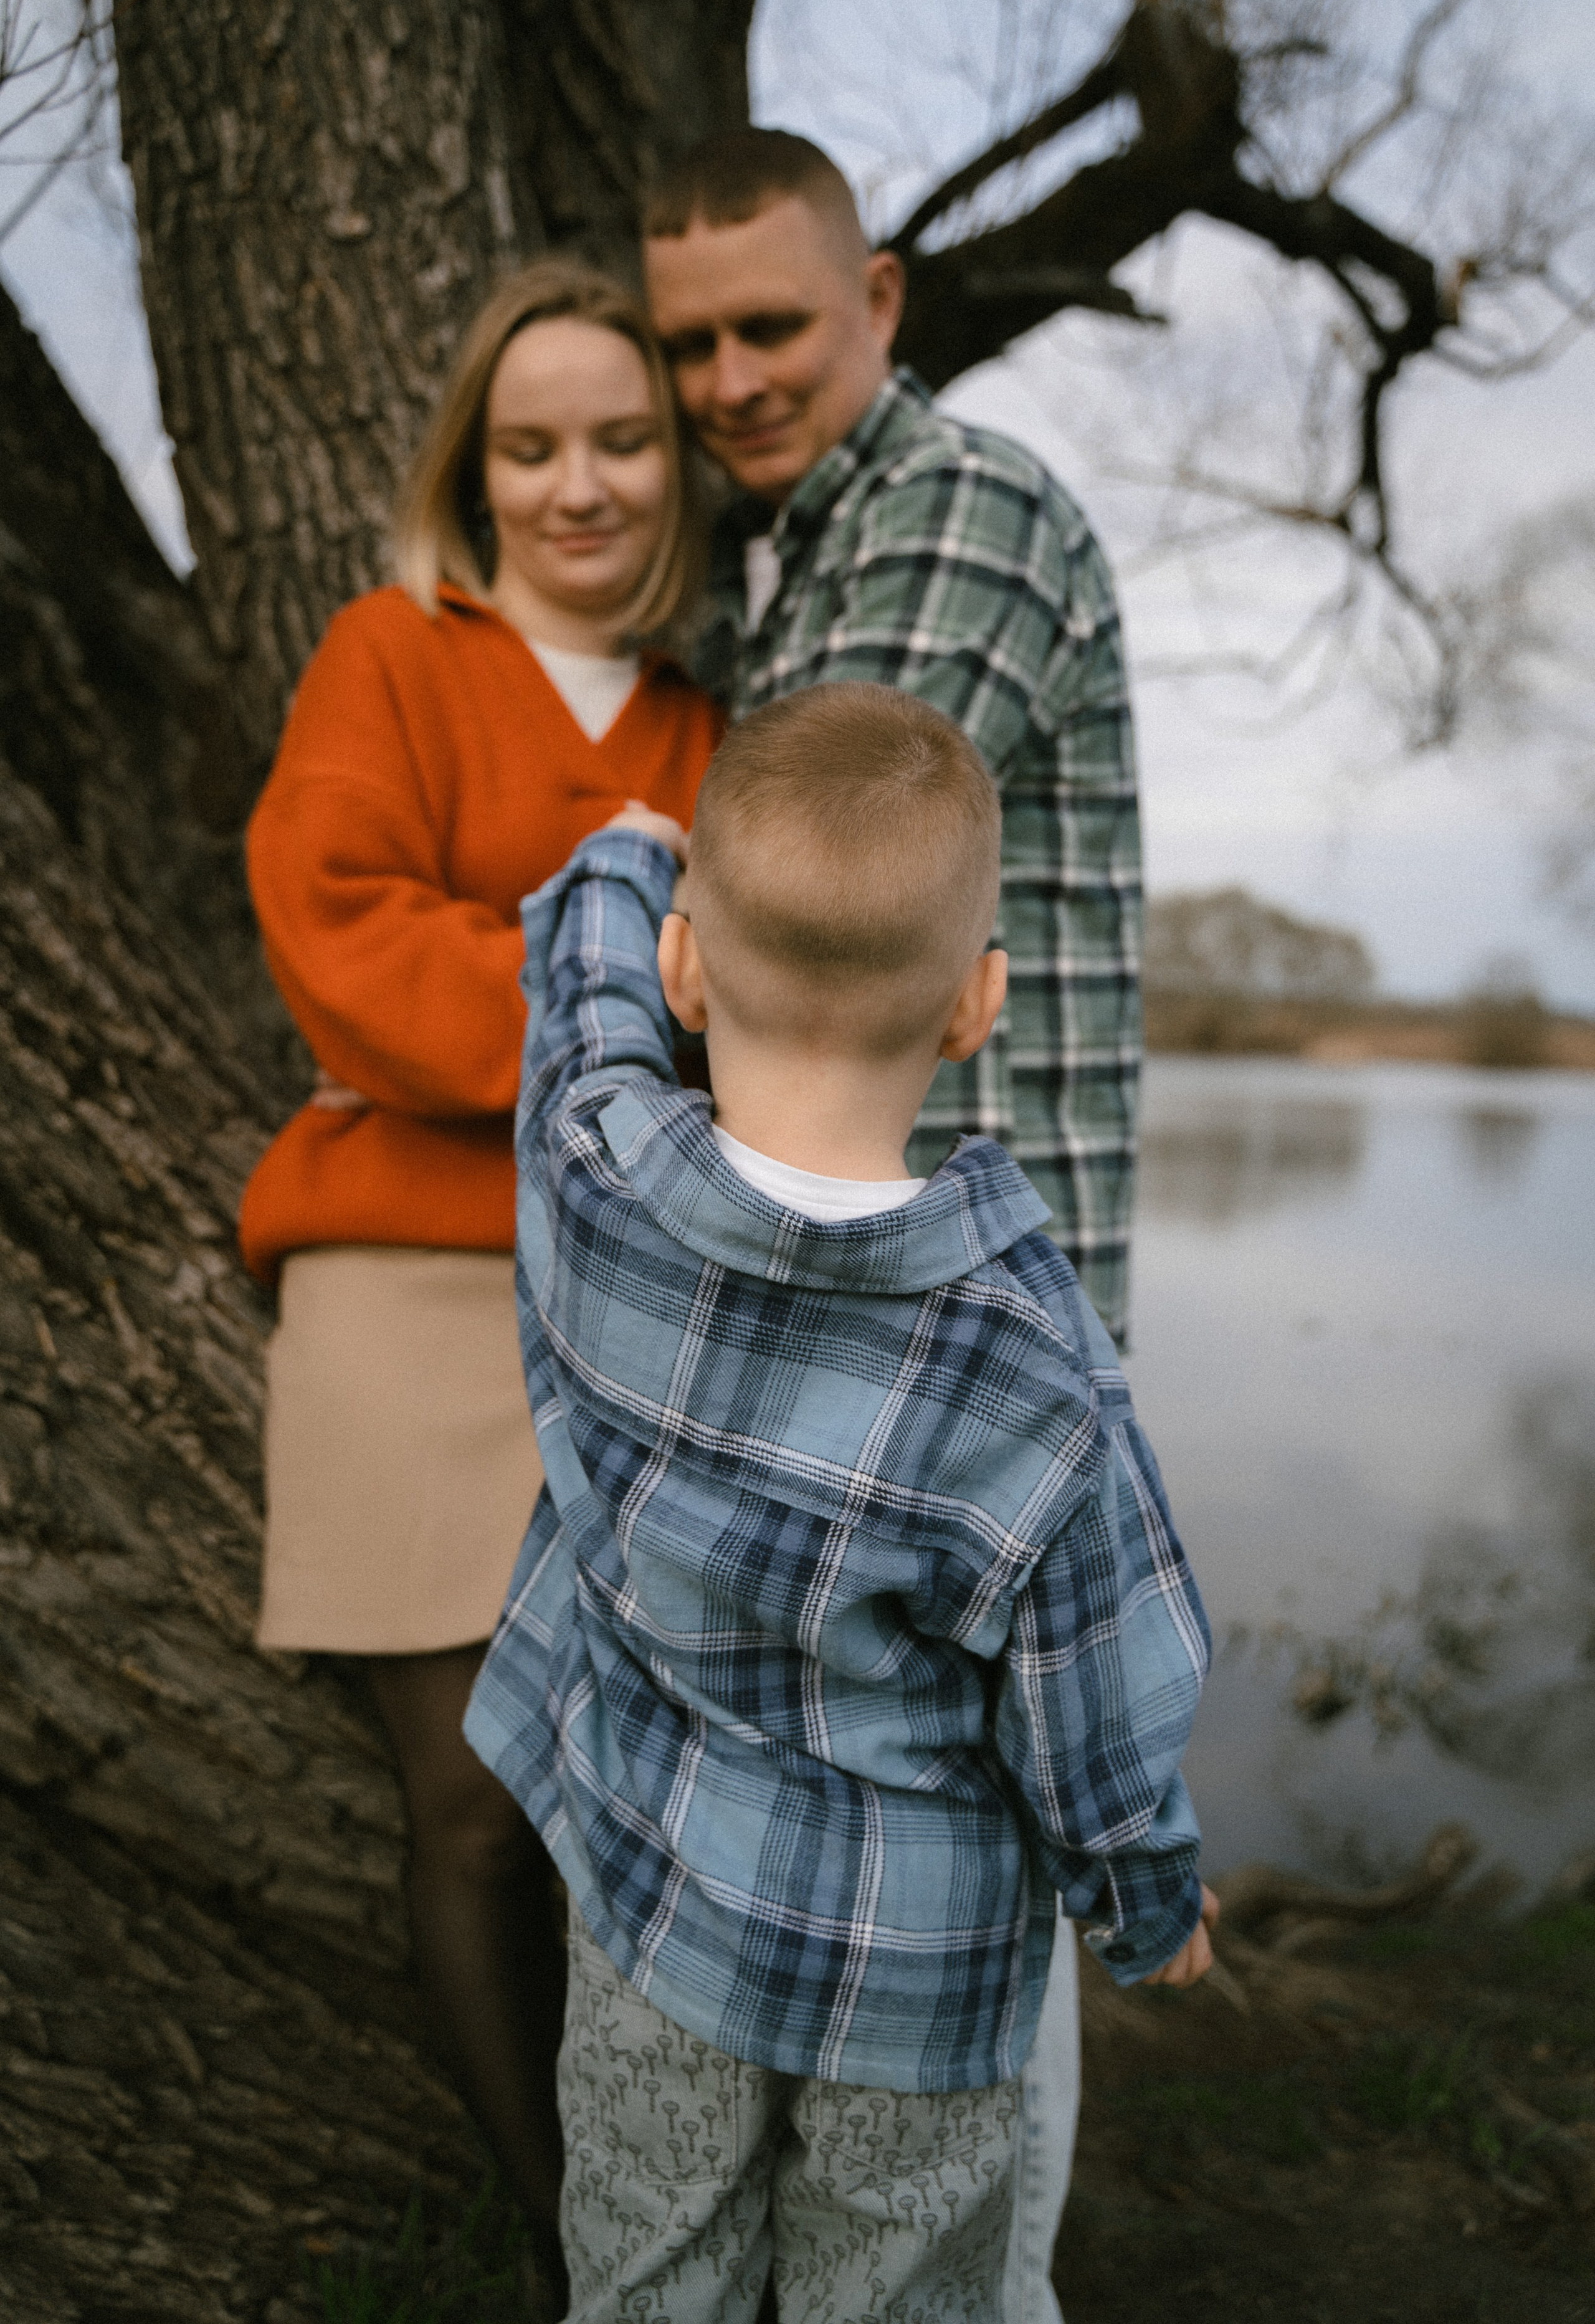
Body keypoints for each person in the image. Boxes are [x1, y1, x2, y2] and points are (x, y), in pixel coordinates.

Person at [465, 684, 1213, 2324]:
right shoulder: (1033, 1364)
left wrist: (620, 854)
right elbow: (1097, 1706)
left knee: (651, 2269)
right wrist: (1152, 1907)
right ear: (977, 1005)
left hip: (657, 1904)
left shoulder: (590, 1172)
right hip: (915, 1977)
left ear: (686, 970)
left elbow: (580, 1000)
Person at [237, 256, 721, 2297]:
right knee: (467, 1803)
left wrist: (542, 972)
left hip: (645, 1307)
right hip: (407, 1282)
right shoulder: (391, 653)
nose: (578, 485)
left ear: (678, 472)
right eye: (531, 446)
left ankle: (700, 2195)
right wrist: (640, 1000)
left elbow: (775, 1000)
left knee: (651, 1800)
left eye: (620, 440)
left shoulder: (718, 727)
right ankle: (570, 2243)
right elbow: (339, 935)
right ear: (477, 469)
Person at [642, 126, 1141, 1350]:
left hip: (967, 1305)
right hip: (828, 1274)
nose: (730, 382)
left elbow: (807, 880)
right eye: (689, 346)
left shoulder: (966, 500)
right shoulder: (758, 553)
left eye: (769, 328)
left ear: (876, 298)